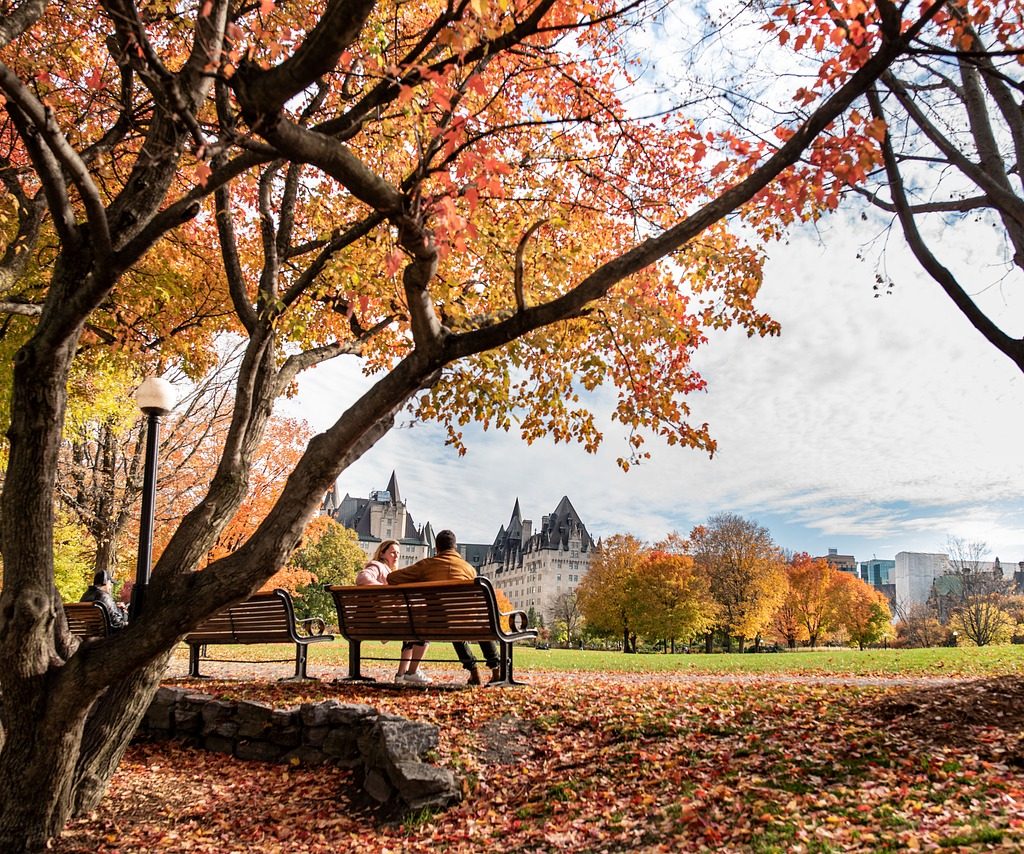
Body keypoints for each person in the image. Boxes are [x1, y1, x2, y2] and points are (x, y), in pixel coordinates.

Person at [387, 529, 500, 686]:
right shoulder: (469, 569)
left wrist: (420, 582)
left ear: (437, 548)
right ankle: (496, 669)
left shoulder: (426, 565)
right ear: (455, 548)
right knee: (471, 623)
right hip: (468, 623)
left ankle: (474, 671)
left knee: (450, 621)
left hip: (437, 623)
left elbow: (392, 577)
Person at [356, 539, 430, 684]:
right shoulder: (377, 565)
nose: (396, 556)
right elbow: (362, 577)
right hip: (378, 622)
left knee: (412, 629)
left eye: (398, 553)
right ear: (382, 554)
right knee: (419, 628)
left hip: (374, 620)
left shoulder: (390, 571)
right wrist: (386, 591)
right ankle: (409, 673)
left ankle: (401, 675)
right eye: (392, 552)